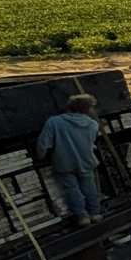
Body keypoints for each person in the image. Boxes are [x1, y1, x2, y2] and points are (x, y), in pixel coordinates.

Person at [35, 93, 103, 227]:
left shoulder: (54, 122)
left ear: (69, 107)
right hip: (86, 161)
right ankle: (95, 213)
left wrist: (40, 157)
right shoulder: (93, 124)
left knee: (72, 190)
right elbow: (92, 142)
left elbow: (43, 144)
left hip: (64, 163)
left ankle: (82, 217)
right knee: (90, 187)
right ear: (87, 109)